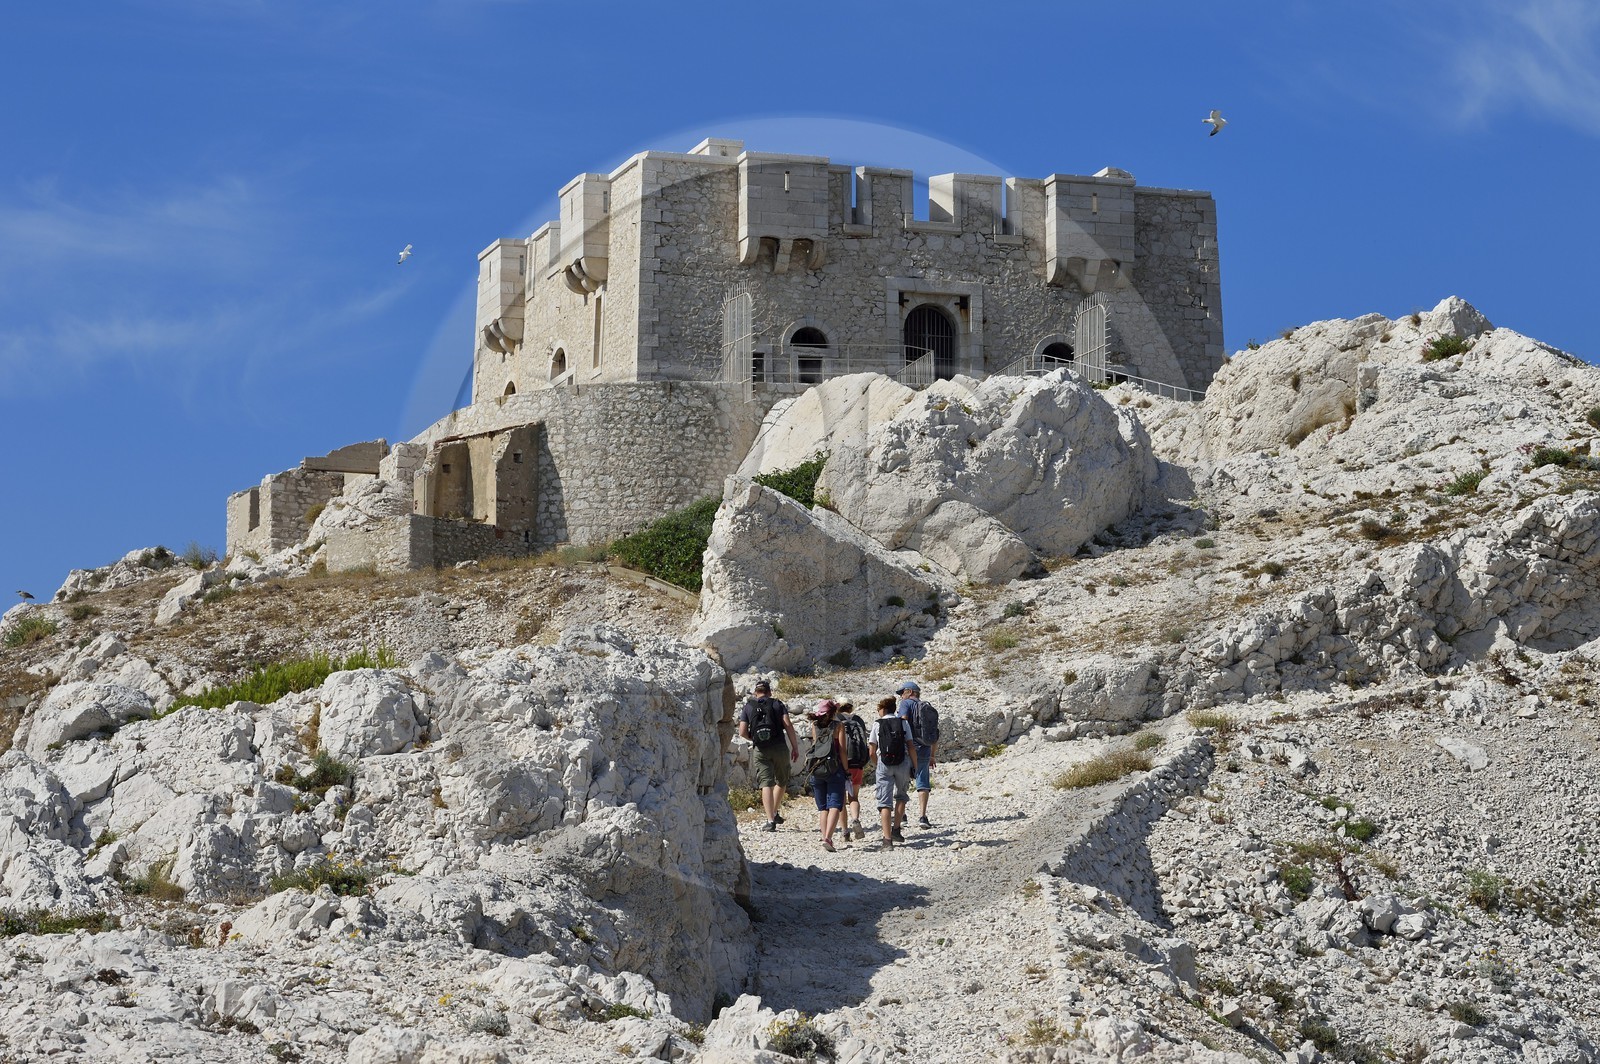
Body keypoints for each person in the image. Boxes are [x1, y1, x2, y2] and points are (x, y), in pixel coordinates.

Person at [736, 679, 798, 832]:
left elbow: (742, 732)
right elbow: (788, 725)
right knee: (782, 780)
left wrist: (755, 738)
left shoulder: (749, 706)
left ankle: (770, 820)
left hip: (760, 749)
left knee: (766, 783)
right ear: (769, 692)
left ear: (756, 693)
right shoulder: (777, 704)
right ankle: (775, 811)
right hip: (779, 747)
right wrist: (795, 747)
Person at [868, 696, 917, 850]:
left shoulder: (877, 723)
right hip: (902, 762)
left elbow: (871, 751)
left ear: (883, 709)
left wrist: (878, 765)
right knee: (901, 796)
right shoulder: (903, 722)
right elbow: (910, 746)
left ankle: (887, 840)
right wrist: (914, 766)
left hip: (884, 763)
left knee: (884, 802)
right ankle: (896, 829)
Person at [802, 699, 850, 851]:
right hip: (834, 769)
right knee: (835, 804)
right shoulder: (838, 726)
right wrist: (846, 770)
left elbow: (816, 746)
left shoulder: (815, 725)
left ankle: (824, 836)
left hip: (817, 768)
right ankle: (828, 838)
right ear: (833, 712)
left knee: (823, 808)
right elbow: (842, 750)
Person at [895, 680, 939, 829]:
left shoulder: (906, 704)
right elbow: (934, 733)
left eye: (902, 692)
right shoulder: (927, 707)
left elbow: (903, 722)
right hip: (925, 749)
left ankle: (902, 816)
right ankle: (922, 817)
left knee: (902, 782)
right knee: (923, 782)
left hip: (908, 749)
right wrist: (933, 755)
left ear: (910, 692)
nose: (901, 696)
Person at [837, 701, 869, 841]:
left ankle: (845, 831)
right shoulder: (858, 720)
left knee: (841, 800)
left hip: (841, 764)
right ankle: (855, 819)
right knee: (854, 797)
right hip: (857, 763)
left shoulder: (837, 720)